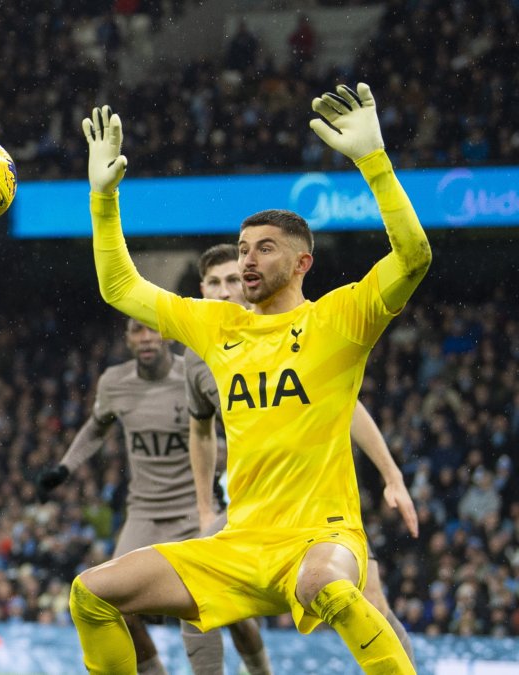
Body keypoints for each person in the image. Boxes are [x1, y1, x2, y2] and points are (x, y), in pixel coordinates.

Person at [70, 81, 429, 675]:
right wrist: (103, 199)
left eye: (265, 249)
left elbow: (414, 256)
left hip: (321, 538)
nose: (247, 260)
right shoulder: (219, 326)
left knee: (326, 585)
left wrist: (374, 161)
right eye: (242, 249)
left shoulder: (338, 320)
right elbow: (119, 287)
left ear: (302, 262)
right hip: (238, 544)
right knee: (92, 592)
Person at [188, 244, 417, 664]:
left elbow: (349, 408)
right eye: (214, 283)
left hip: (320, 503)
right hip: (253, 510)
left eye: (232, 280)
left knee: (372, 603)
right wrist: (205, 509)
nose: (224, 292)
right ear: (201, 289)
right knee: (194, 597)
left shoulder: (293, 329)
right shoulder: (199, 350)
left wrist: (392, 476)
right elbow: (200, 430)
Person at [35, 318, 271, 675]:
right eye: (136, 330)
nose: (145, 338)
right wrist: (65, 468)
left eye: (151, 329)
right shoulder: (115, 383)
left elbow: (234, 426)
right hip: (143, 514)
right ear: (127, 339)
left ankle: (261, 671)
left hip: (194, 512)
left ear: (167, 335)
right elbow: (96, 427)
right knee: (113, 601)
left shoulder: (195, 374)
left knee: (218, 607)